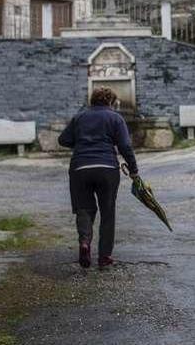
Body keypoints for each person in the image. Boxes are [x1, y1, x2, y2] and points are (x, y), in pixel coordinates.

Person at [58, 87, 138, 269]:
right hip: (107, 168)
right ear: (111, 102)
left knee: (84, 208)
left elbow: (63, 140)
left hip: (80, 168)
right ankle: (104, 257)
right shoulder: (115, 118)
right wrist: (133, 170)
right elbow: (125, 145)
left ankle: (85, 243)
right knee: (108, 212)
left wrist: (80, 142)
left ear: (92, 101)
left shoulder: (79, 117)